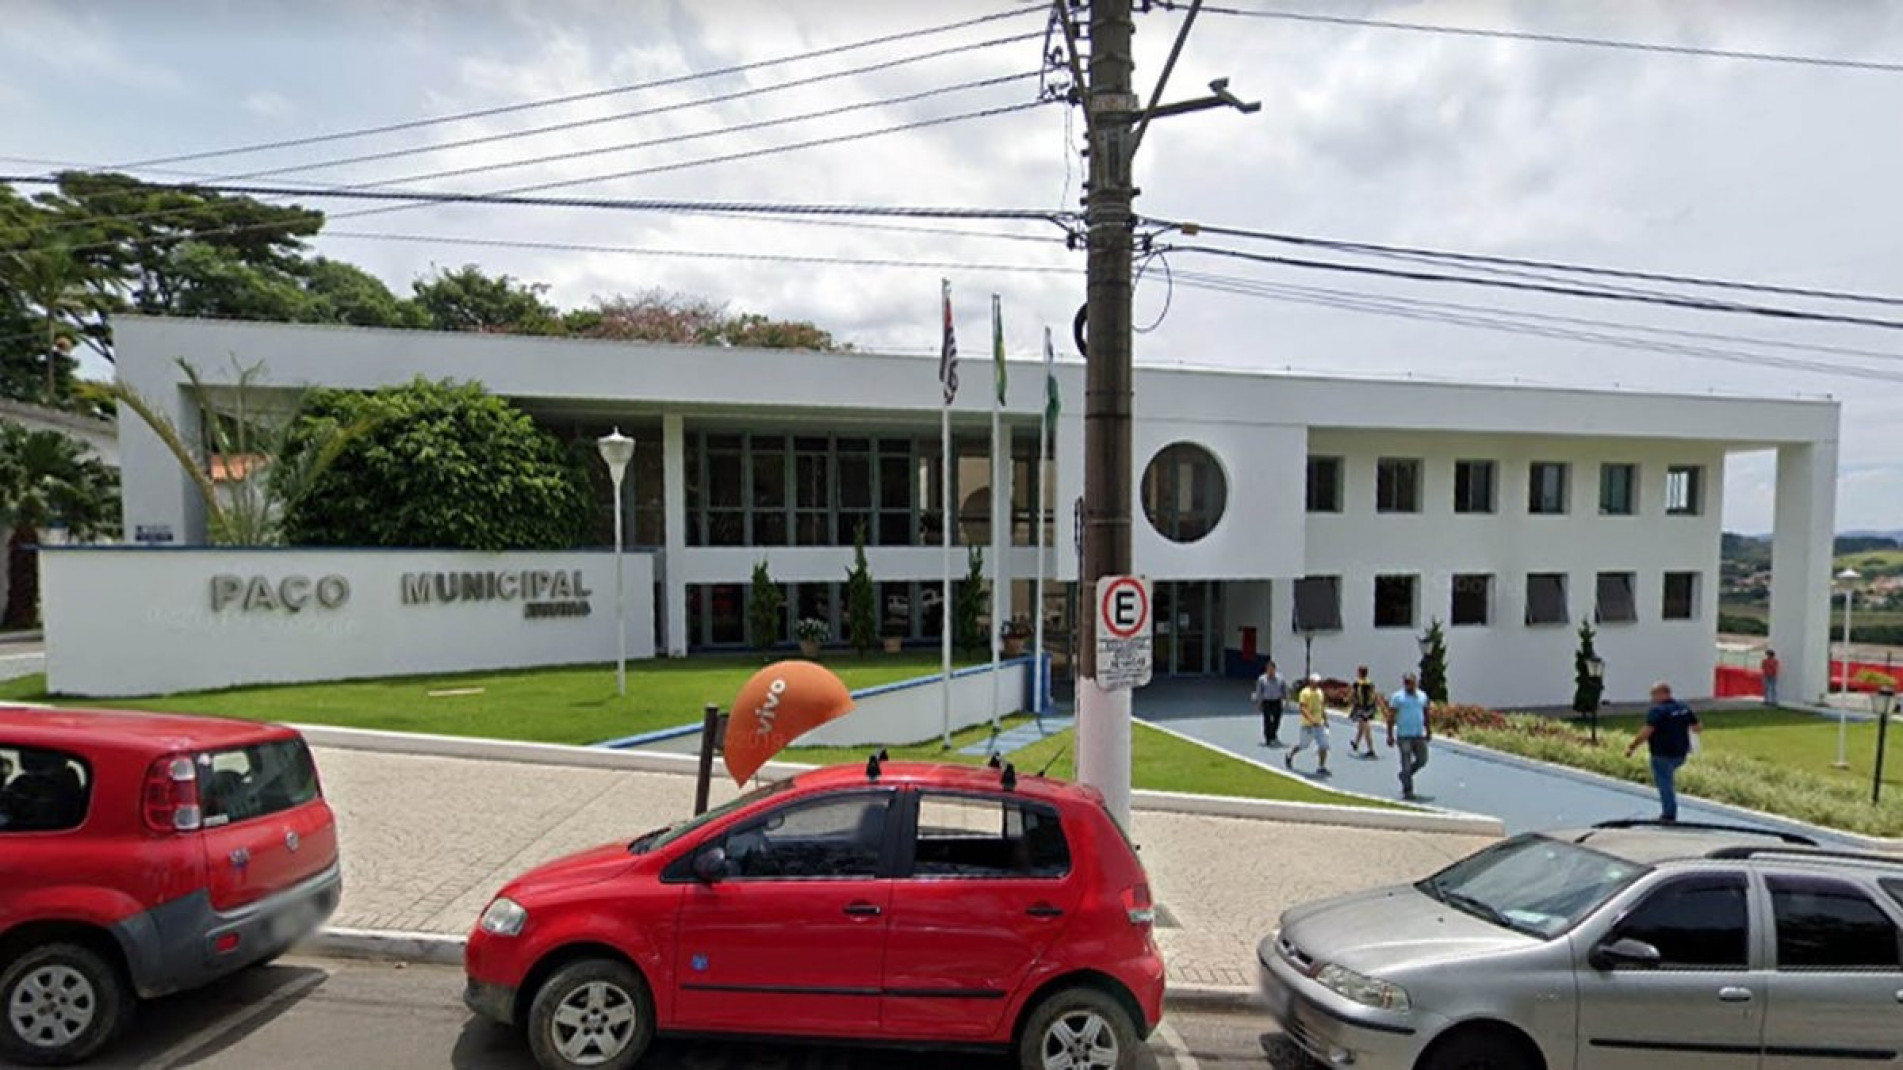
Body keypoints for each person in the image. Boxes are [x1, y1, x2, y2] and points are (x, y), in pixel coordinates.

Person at [1626, 681, 1701, 822]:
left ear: (1662, 693)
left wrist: (1632, 746)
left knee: (1664, 783)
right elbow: (1697, 727)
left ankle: (1669, 814)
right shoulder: (1683, 708)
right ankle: (1669, 810)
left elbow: (1646, 732)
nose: (1652, 698)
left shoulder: (1657, 711)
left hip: (1662, 753)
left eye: (1653, 694)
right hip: (1680, 753)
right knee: (1668, 779)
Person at [1387, 672, 1431, 800]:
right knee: (1405, 762)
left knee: (1422, 760)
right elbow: (1391, 717)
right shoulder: (1397, 697)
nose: (1409, 685)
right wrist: (1390, 735)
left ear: (1415, 682)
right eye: (1406, 682)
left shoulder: (1422, 696)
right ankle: (1408, 790)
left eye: (1411, 682)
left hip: (1418, 735)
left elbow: (1426, 714)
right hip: (1404, 736)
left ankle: (1404, 775)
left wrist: (1428, 730)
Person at [1285, 674, 1332, 776]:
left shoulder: (1320, 692)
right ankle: (1290, 754)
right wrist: (1311, 719)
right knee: (1303, 745)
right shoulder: (1305, 693)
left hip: (1320, 725)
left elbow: (1321, 707)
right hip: (1308, 726)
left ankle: (1321, 767)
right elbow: (1303, 708)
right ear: (1311, 682)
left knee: (1323, 745)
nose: (1317, 684)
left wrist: (1325, 719)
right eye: (1315, 682)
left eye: (1318, 682)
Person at [1252, 660, 1292, 747]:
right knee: (1267, 720)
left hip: (1277, 701)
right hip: (1267, 702)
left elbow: (1285, 690)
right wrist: (1259, 703)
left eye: (1271, 669)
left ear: (1274, 669)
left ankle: (1273, 734)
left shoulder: (1280, 679)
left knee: (1277, 720)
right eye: (1268, 669)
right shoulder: (1262, 679)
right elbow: (1259, 692)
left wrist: (1287, 700)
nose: (1270, 671)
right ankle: (1268, 738)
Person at [1348, 666, 1381, 758]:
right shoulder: (1370, 683)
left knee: (1366, 729)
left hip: (1361, 708)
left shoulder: (1357, 684)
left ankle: (1371, 750)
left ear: (1359, 673)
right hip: (1369, 708)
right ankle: (1356, 743)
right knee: (1361, 726)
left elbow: (1352, 695)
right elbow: (1375, 695)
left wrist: (1348, 700)